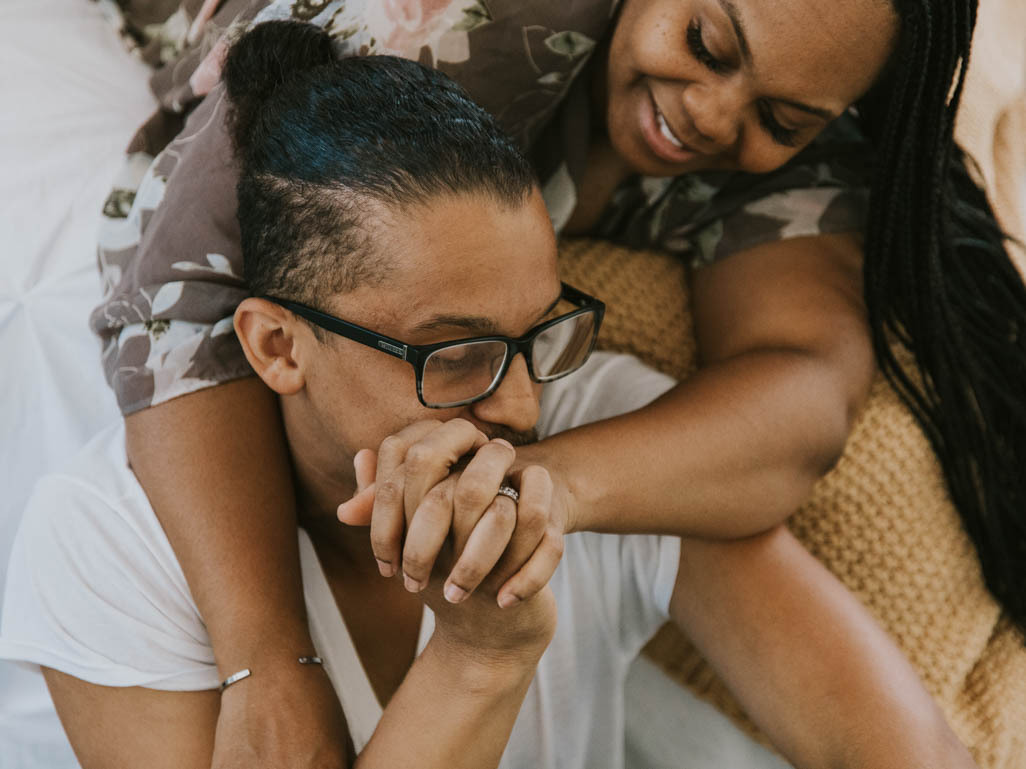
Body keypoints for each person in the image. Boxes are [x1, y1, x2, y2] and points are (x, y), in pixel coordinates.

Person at [0, 26, 977, 769]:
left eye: (534, 335)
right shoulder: (113, 549)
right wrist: (482, 656)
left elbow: (906, 749)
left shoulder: (590, 417)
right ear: (276, 344)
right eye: (455, 353)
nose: (516, 405)